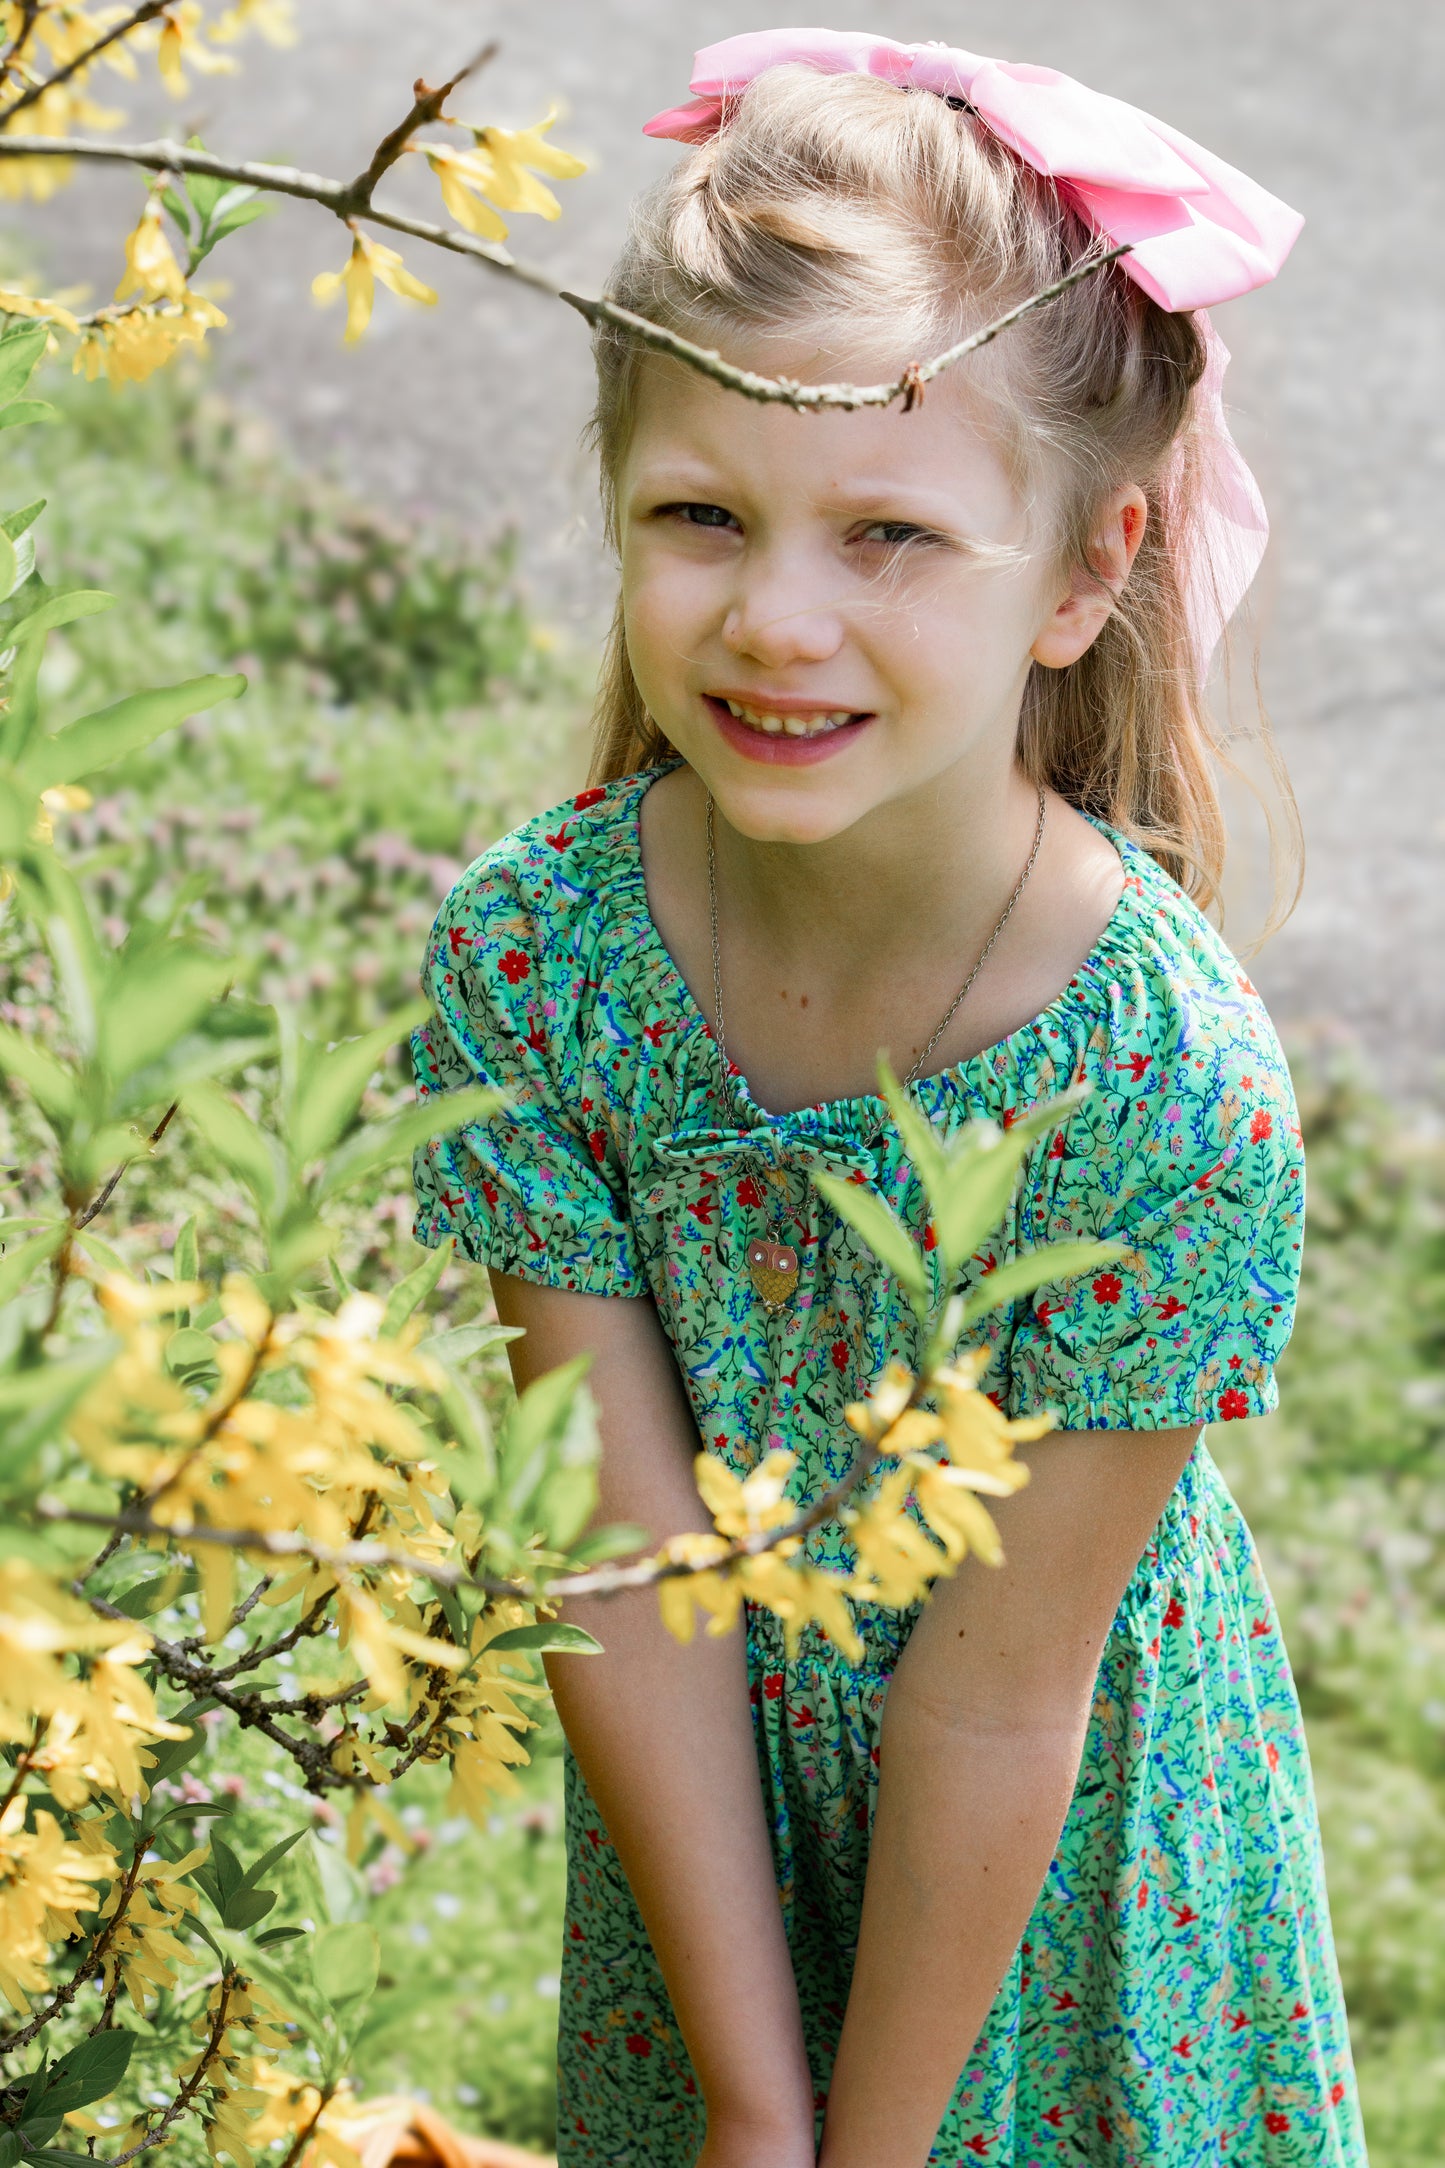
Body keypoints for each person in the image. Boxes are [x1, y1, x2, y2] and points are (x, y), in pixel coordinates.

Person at [410, 28, 1368, 2168]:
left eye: (888, 536)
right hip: (706, 1862)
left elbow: (1000, 1693)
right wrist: (756, 2103)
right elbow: (620, 1559)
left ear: (1085, 571)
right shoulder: (538, 964)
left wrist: (870, 2144)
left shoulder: (1162, 1089)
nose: (777, 616)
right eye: (700, 516)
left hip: (1057, 1882)